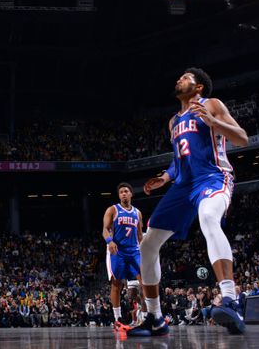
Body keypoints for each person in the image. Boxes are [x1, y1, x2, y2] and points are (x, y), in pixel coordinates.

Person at [129, 68, 249, 336]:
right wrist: (166, 177)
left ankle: (231, 300)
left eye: (185, 78)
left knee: (208, 218)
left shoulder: (212, 104)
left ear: (199, 88)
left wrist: (214, 122)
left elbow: (242, 138)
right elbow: (180, 157)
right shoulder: (173, 122)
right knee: (147, 245)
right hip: (183, 185)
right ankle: (155, 318)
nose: (178, 80)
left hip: (212, 178)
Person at [102, 182, 143, 330]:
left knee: (145, 282)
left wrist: (146, 249)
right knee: (116, 284)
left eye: (126, 191)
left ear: (131, 194)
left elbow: (139, 235)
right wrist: (109, 241)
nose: (123, 194)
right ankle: (117, 318)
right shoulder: (113, 210)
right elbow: (105, 230)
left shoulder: (137, 213)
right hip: (117, 250)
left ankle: (148, 315)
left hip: (134, 251)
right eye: (121, 192)